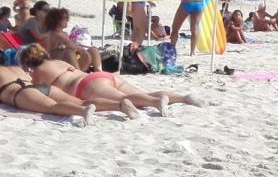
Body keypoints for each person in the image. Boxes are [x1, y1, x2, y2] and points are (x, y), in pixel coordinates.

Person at [22, 45, 202, 114]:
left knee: (127, 100)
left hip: (86, 85)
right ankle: (183, 98)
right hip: (100, 76)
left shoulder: (36, 74)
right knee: (141, 94)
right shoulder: (58, 61)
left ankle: (155, 102)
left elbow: (39, 94)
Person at [0, 64, 104, 125]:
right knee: (81, 102)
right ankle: (118, 104)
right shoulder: (15, 68)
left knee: (52, 107)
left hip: (20, 93)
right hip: (40, 87)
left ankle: (83, 111)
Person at [44, 7, 102, 72]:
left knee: (93, 49)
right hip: (59, 64)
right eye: (64, 18)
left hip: (70, 62)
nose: (67, 19)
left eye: (67, 17)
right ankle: (78, 73)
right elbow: (70, 45)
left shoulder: (64, 33)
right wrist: (83, 52)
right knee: (69, 52)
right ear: (56, 20)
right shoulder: (54, 34)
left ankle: (98, 71)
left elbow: (71, 45)